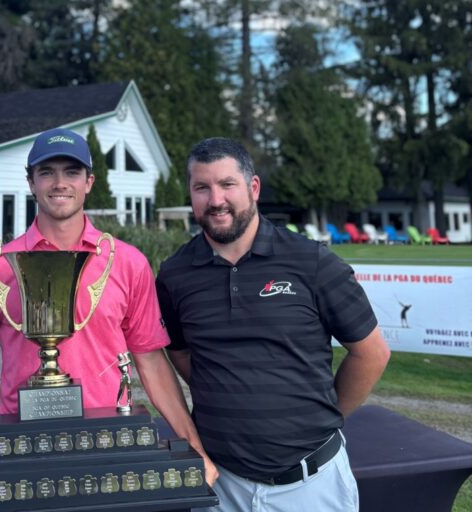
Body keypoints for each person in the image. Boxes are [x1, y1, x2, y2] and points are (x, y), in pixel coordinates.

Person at [0, 128, 216, 502]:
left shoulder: (127, 264)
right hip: (23, 457)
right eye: (46, 172)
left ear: (89, 182)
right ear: (30, 182)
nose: (59, 183)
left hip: (109, 450)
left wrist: (197, 451)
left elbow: (152, 363)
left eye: (71, 171)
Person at [155, 137, 391, 512]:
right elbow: (181, 354)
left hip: (310, 484)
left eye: (227, 184)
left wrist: (324, 417)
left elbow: (372, 353)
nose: (215, 200)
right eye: (202, 187)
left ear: (253, 187)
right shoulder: (175, 274)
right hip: (221, 485)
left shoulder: (312, 262)